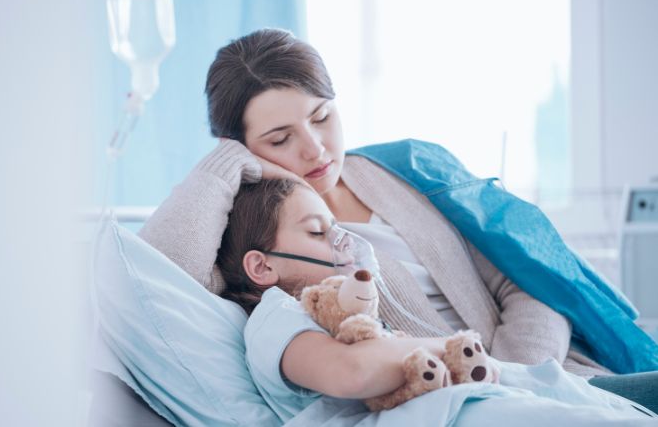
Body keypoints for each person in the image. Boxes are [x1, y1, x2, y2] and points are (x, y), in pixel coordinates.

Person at [137, 28, 657, 411]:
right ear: (243, 147)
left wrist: (516, 373)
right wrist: (225, 163)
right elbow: (154, 278)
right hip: (463, 403)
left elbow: (527, 281)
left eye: (322, 117)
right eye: (280, 139)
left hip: (554, 378)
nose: (315, 148)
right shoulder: (262, 239)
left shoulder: (403, 171)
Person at [216, 177, 654, 423]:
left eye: (337, 228)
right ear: (261, 267)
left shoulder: (350, 314)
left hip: (525, 390)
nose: (342, 243)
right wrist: (452, 348)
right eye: (317, 232)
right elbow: (352, 372)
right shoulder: (277, 317)